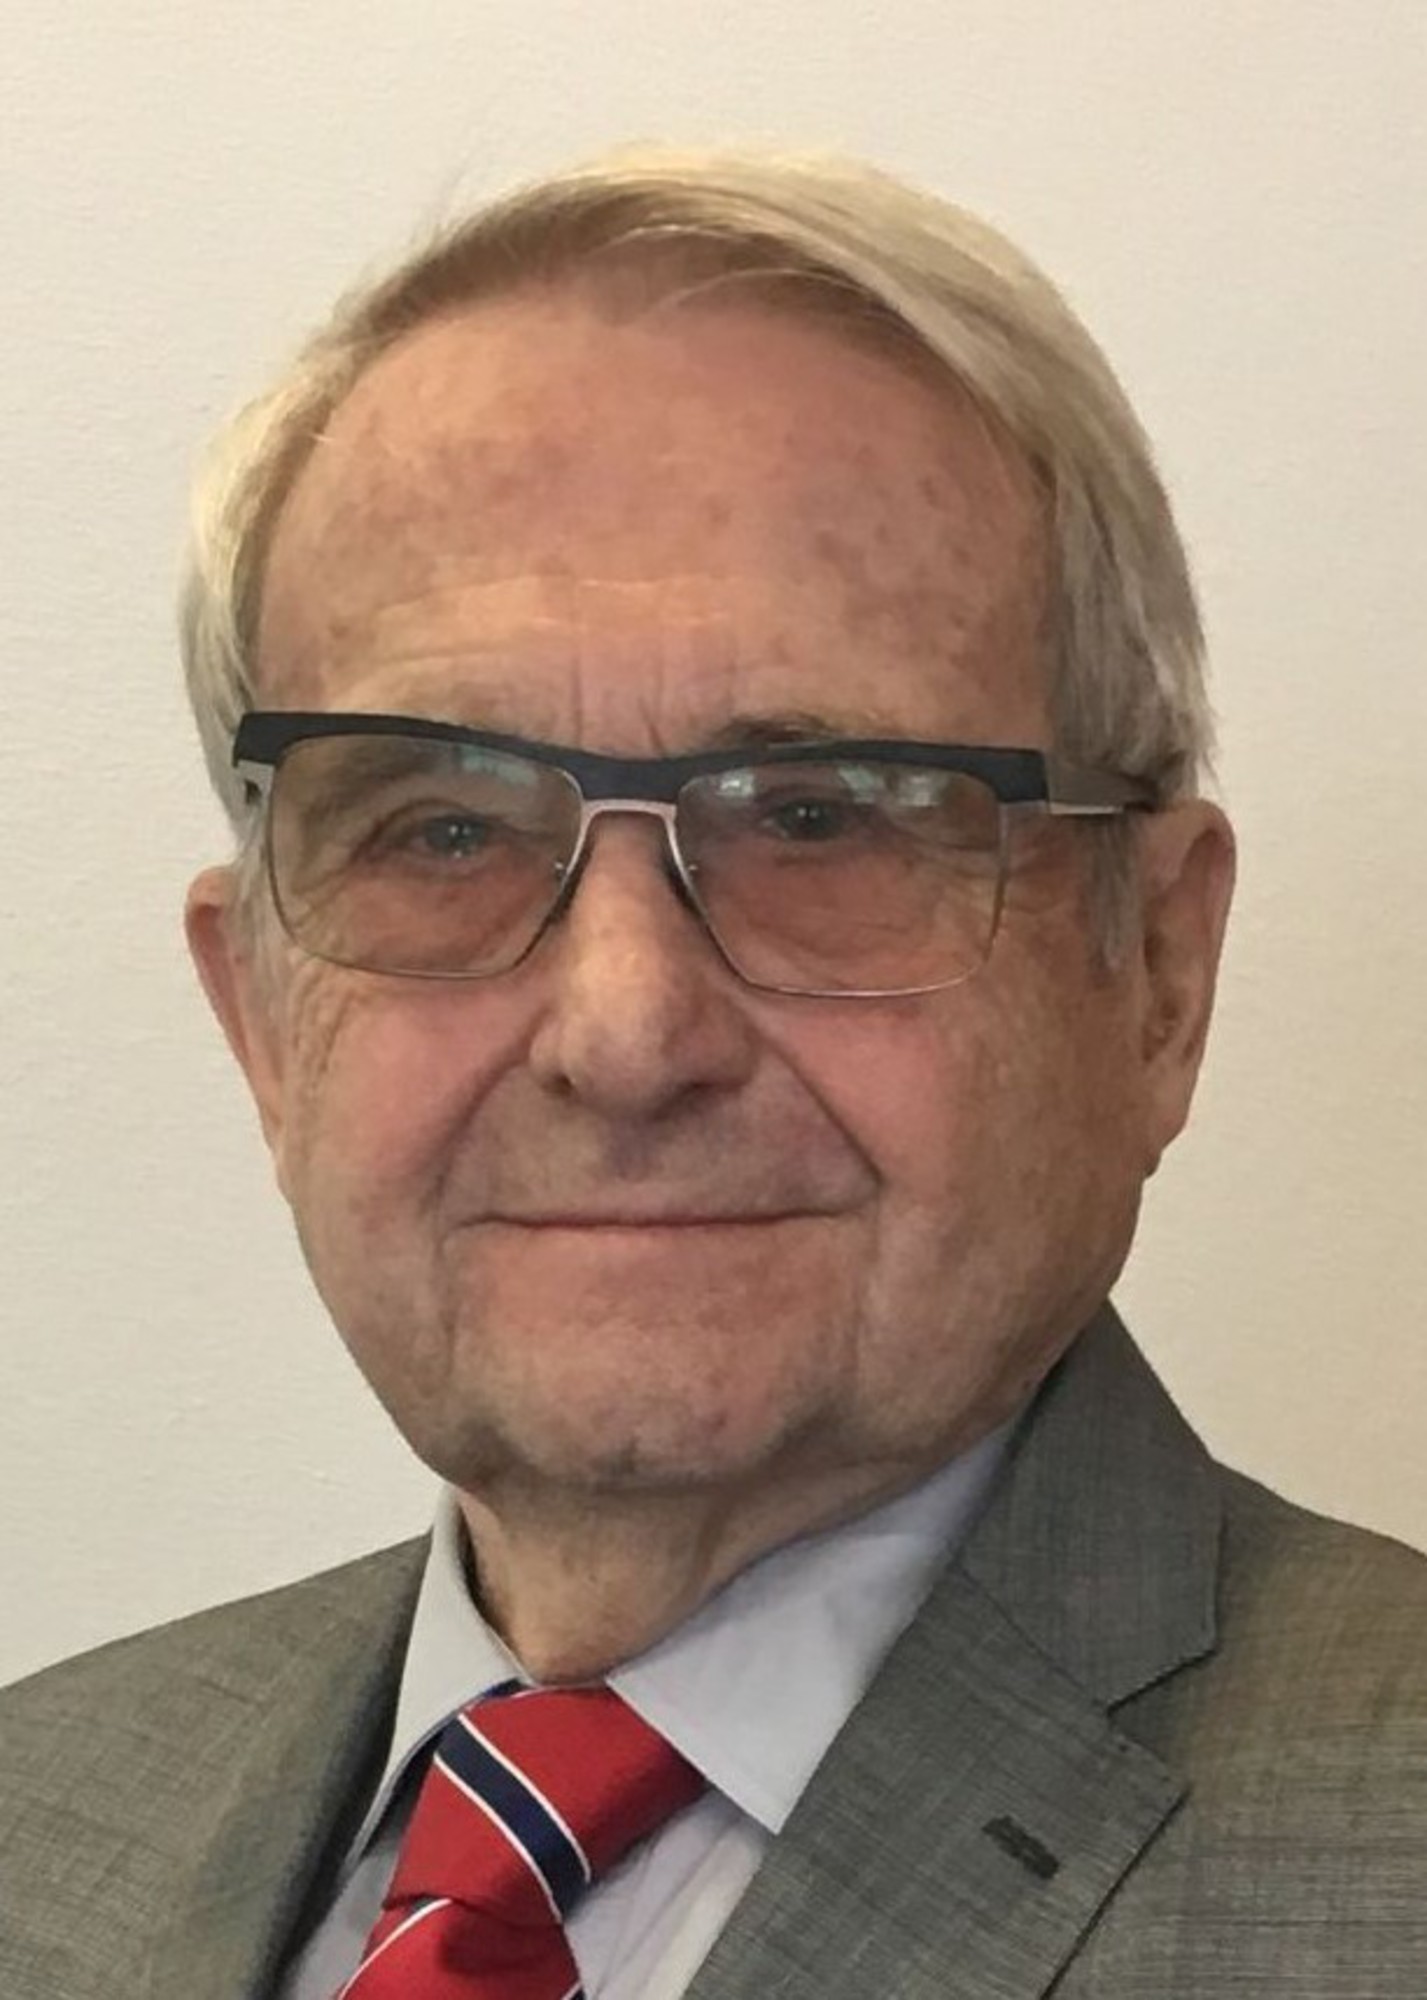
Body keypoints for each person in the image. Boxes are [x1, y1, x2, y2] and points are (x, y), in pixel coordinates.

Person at [1, 145, 1422, 2000]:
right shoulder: (40, 1809)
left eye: (823, 818)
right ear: (261, 1017)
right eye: (442, 831)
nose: (625, 1035)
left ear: (1157, 974)